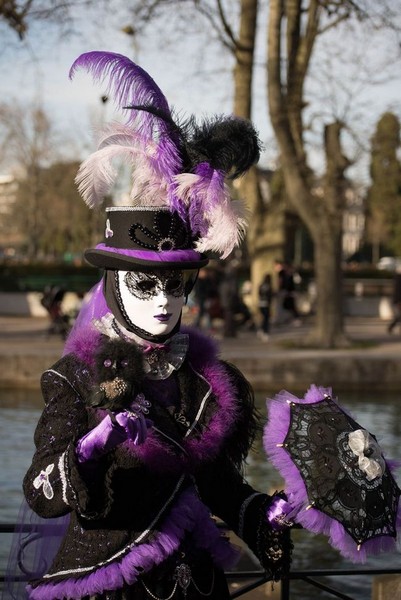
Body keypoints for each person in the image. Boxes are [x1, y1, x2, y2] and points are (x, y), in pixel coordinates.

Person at [20, 52, 293, 600]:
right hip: (108, 585)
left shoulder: (205, 379)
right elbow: (41, 492)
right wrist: (92, 448)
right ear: (115, 286)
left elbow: (215, 487)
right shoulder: (75, 378)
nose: (164, 301)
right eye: (146, 285)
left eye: (175, 286)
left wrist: (267, 511)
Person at [257, 273, 273, 341]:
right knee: (266, 319)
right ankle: (265, 332)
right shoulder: (269, 286)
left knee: (263, 318)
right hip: (266, 304)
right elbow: (270, 296)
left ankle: (261, 330)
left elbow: (259, 294)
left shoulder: (261, 285)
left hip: (260, 303)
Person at [387, 266, 401, 333]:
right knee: (398, 316)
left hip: (396, 300)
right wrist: (398, 301)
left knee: (399, 316)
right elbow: (398, 292)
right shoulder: (398, 279)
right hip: (397, 300)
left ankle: (391, 327)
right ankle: (390, 327)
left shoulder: (396, 279)